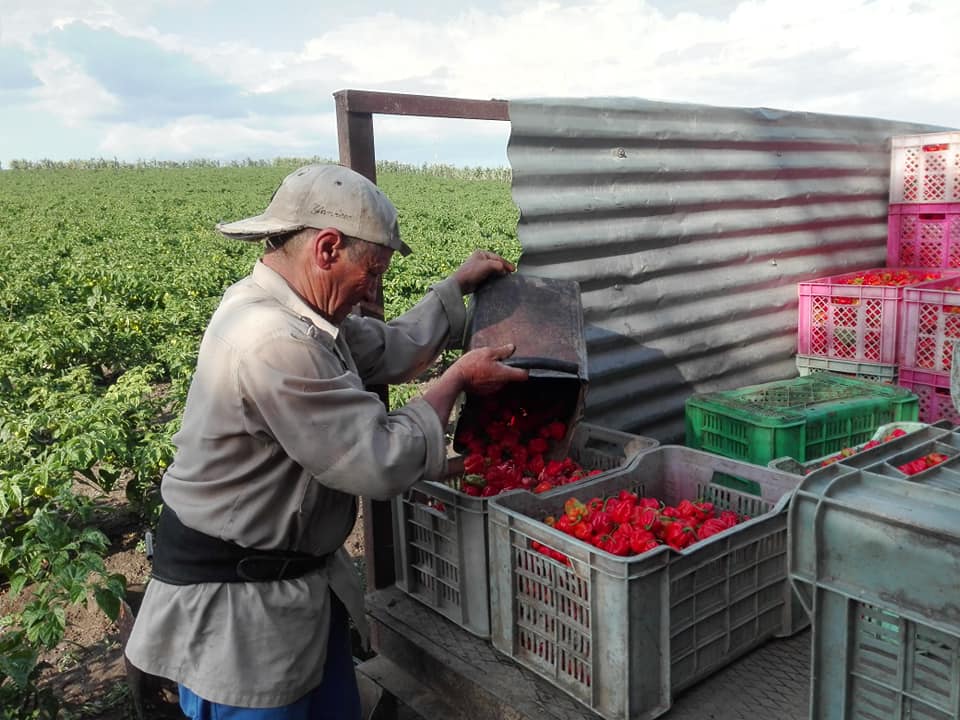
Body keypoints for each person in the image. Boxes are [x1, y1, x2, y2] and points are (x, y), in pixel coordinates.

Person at [123, 163, 528, 719]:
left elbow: (396, 347)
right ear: (328, 248)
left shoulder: (307, 315)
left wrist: (456, 288)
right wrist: (455, 382)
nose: (375, 290)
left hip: (296, 591)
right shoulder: (274, 338)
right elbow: (379, 460)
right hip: (242, 615)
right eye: (374, 272)